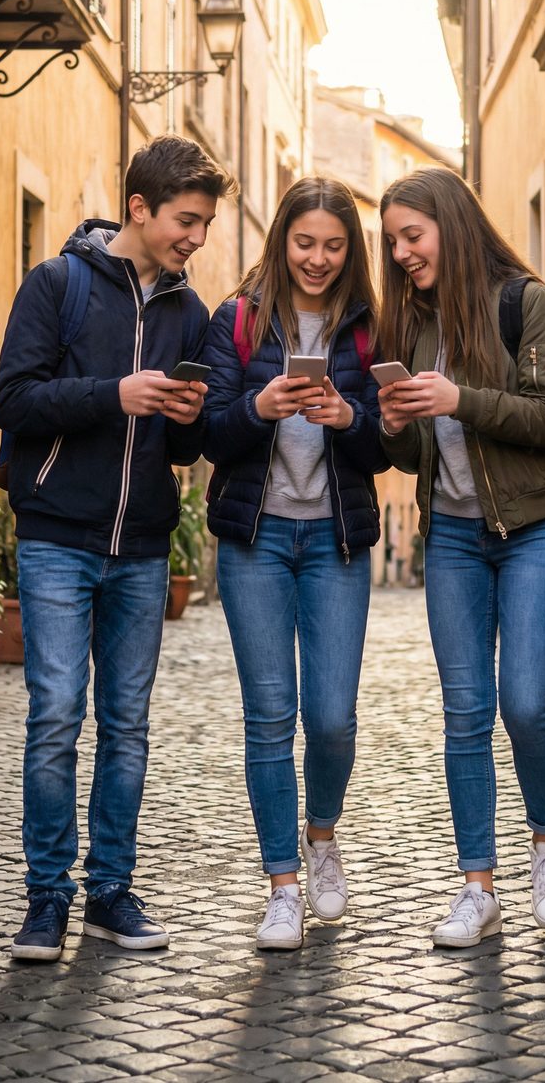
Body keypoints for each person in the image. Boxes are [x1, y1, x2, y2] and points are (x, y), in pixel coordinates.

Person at [0, 135, 236, 962]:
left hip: (142, 547)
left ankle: (110, 892)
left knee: (127, 725)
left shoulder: (189, 314)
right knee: (56, 715)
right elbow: (11, 401)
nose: (196, 237)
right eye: (185, 221)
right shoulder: (56, 285)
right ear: (139, 208)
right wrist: (112, 395)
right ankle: (46, 899)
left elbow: (181, 446)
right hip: (57, 537)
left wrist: (188, 420)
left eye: (204, 224)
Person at [377, 167, 545, 949]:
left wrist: (458, 399)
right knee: (464, 714)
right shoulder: (414, 323)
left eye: (412, 236)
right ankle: (477, 887)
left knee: (524, 704)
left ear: (451, 227)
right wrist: (395, 422)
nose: (401, 253)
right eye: (393, 241)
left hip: (533, 529)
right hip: (454, 539)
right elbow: (409, 457)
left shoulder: (525, 302)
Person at [202, 177, 386, 949]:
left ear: (350, 251)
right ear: (281, 240)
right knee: (270, 716)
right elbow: (207, 432)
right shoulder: (238, 320)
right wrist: (255, 409)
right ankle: (282, 886)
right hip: (257, 543)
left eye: (333, 246)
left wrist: (349, 417)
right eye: (304, 242)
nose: (316, 258)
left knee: (333, 718)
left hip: (335, 544)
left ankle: (322, 836)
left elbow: (389, 446)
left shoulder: (369, 328)